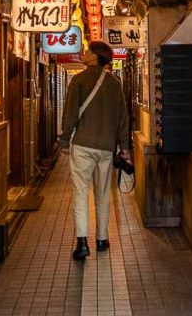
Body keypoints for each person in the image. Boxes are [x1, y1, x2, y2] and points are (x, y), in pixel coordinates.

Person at [60, 41, 131, 260]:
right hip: (106, 148)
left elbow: (71, 113)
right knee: (103, 193)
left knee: (81, 193)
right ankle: (102, 239)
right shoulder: (114, 84)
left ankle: (82, 243)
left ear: (95, 57)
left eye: (88, 51)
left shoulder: (79, 80)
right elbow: (122, 118)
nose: (85, 53)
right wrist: (124, 147)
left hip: (82, 145)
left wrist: (64, 140)